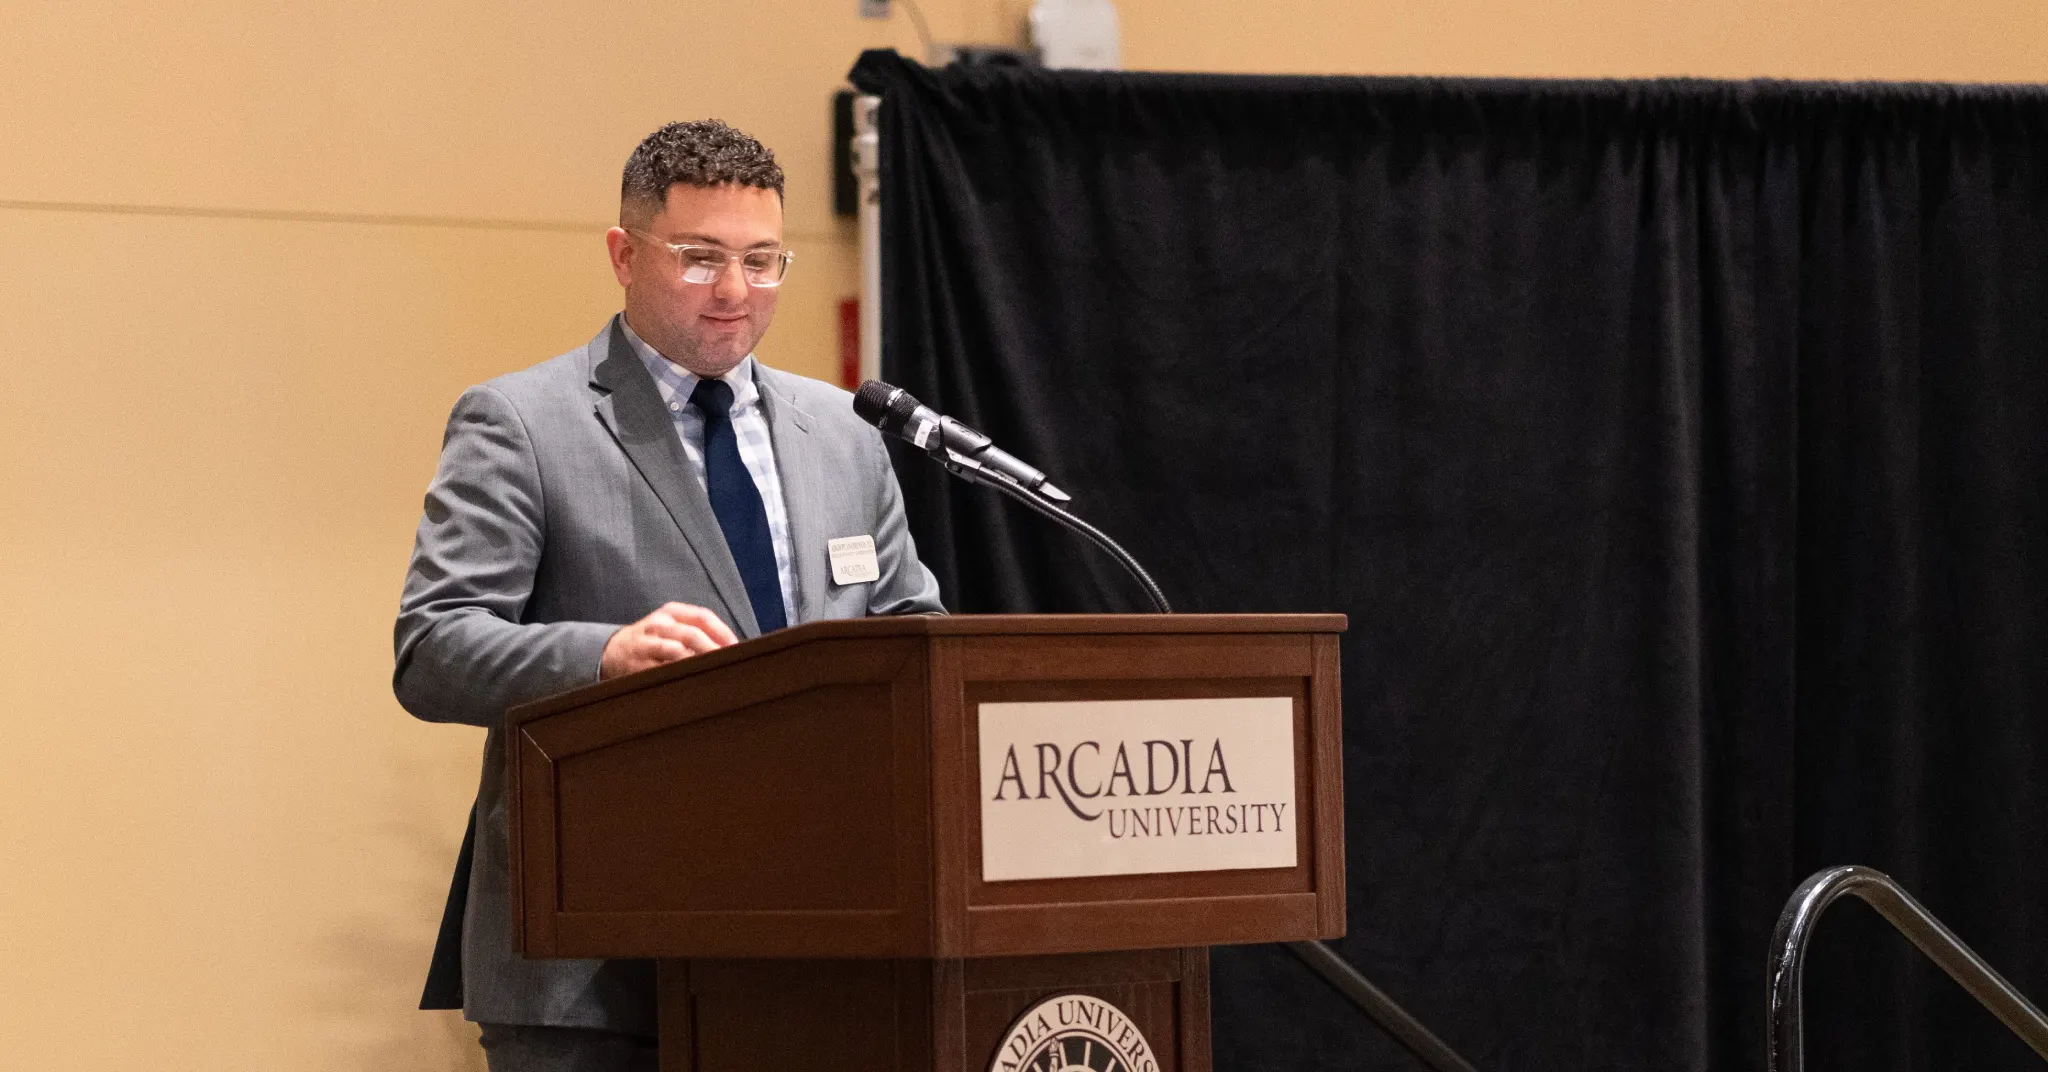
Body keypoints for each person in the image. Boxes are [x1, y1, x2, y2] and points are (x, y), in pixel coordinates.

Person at [393, 119, 944, 1071]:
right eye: (700, 259)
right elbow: (433, 647)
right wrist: (604, 659)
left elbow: (913, 637)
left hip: (827, 951)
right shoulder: (523, 422)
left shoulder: (845, 433)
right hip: (595, 970)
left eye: (764, 261)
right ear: (623, 254)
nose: (736, 292)